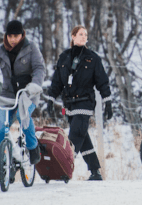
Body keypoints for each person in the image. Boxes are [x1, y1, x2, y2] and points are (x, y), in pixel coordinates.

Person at [47, 25, 112, 181]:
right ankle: (95, 171)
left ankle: (64, 166)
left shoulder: (93, 58)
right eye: (81, 34)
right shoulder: (64, 57)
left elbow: (102, 81)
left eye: (86, 35)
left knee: (76, 133)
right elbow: (57, 81)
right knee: (83, 138)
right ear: (73, 36)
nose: (84, 37)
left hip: (85, 102)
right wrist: (50, 99)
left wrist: (107, 101)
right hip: (69, 104)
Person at [0, 20, 44, 165]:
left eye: (16, 36)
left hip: (28, 94)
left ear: (22, 35)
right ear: (6, 36)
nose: (13, 39)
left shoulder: (31, 47)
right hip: (7, 95)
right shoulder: (0, 50)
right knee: (1, 127)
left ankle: (33, 147)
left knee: (22, 115)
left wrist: (34, 86)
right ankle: (2, 163)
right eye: (10, 36)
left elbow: (39, 68)